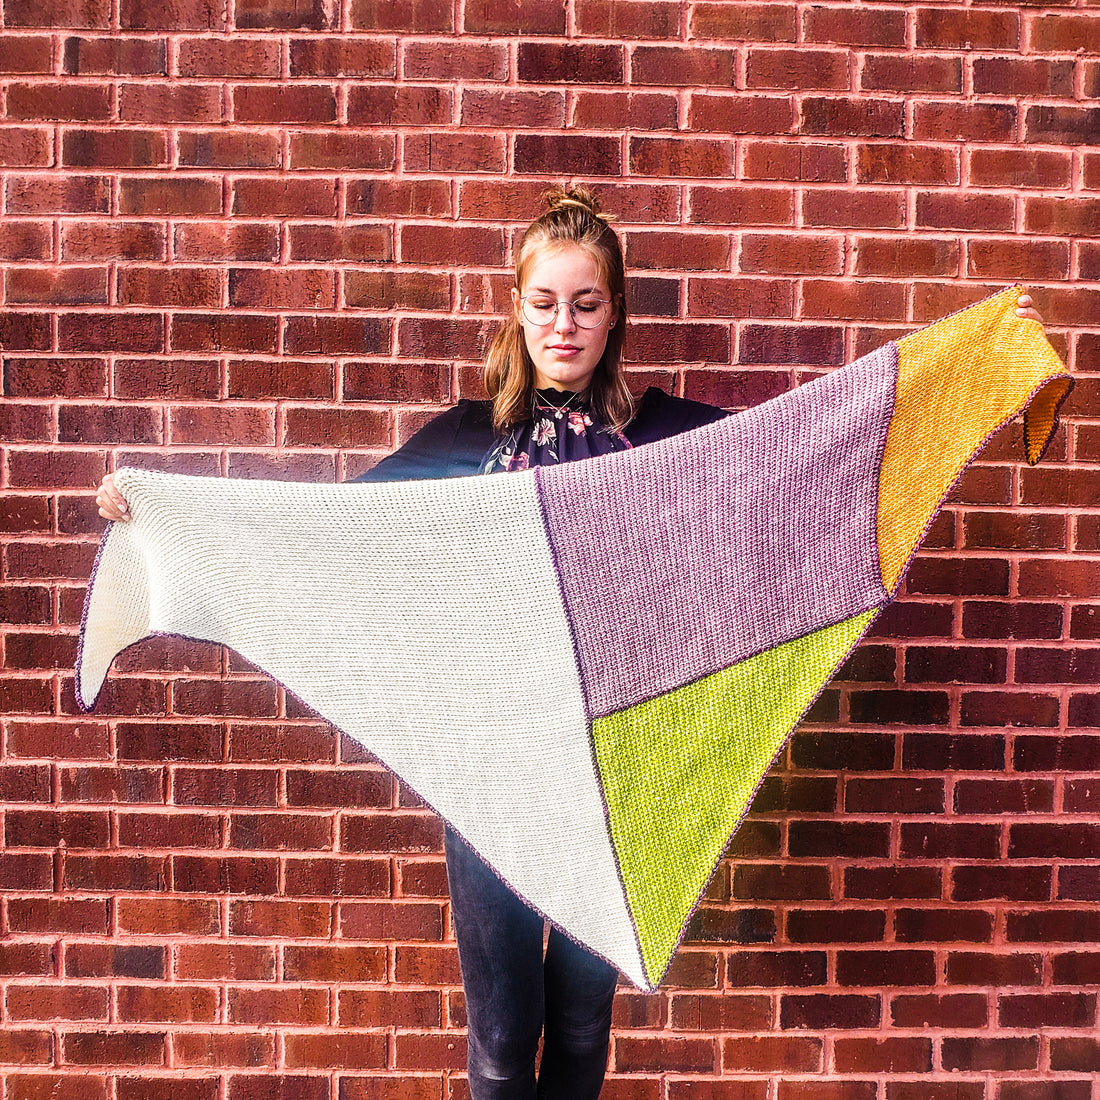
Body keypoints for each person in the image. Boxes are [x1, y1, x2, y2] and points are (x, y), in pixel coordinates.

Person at [95, 187, 1047, 1098]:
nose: (564, 326)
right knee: (505, 1042)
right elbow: (319, 540)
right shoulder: (466, 443)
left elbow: (802, 460)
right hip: (493, 773)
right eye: (544, 303)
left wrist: (971, 362)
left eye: (586, 305)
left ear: (614, 312)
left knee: (585, 1020)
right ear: (516, 311)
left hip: (626, 771)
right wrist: (164, 519)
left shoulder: (664, 439)